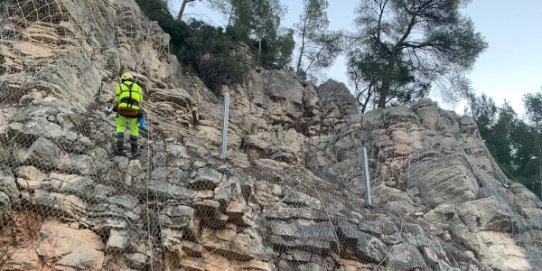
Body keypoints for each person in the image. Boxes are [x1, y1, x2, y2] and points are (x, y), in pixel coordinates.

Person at [114, 72, 143, 156]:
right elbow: (140, 100)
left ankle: (120, 149)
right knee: (134, 129)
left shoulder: (119, 86)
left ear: (123, 79)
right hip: (134, 110)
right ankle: (134, 150)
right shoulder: (138, 88)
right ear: (131, 79)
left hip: (122, 109)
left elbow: (118, 98)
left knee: (120, 127)